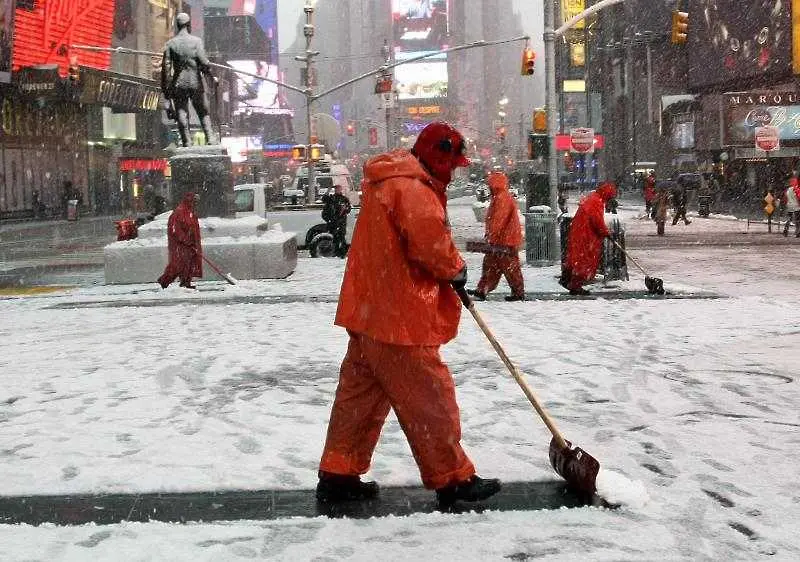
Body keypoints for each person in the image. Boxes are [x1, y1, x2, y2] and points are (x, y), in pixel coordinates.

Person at [317, 121, 501, 506]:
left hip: (369, 310)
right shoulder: (412, 189)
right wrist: (457, 269)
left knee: (360, 398)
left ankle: (339, 472)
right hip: (398, 316)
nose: (454, 171)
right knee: (430, 398)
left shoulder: (389, 180)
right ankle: (453, 478)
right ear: (438, 157)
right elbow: (430, 244)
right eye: (453, 163)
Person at [161, 13, 217, 147]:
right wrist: (211, 77)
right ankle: (210, 138)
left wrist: (167, 91)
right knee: (203, 112)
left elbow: (166, 70)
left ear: (177, 25)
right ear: (188, 25)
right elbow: (204, 63)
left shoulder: (170, 44)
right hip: (195, 82)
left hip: (179, 83)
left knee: (181, 112)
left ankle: (187, 141)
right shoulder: (196, 42)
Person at [468, 170, 525, 301]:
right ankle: (482, 290)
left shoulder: (501, 198)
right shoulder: (500, 197)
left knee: (509, 267)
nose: (488, 186)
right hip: (501, 240)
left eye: (490, 183)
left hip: (505, 241)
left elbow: (498, 220)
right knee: (491, 266)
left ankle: (518, 292)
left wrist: (491, 236)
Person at [559, 181, 617, 296]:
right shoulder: (596, 201)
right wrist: (606, 232)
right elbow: (597, 220)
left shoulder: (594, 198)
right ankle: (575, 285)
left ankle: (567, 278)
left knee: (576, 258)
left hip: (580, 231)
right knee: (584, 260)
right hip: (586, 234)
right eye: (610, 196)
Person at [158, 192, 202, 289]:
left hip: (189, 244)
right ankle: (164, 281)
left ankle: (186, 282)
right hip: (180, 245)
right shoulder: (180, 212)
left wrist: (193, 242)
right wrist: (186, 240)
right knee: (178, 264)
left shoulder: (190, 212)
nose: (195, 204)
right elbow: (176, 230)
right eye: (194, 201)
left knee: (189, 263)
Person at [321, 184, 352, 258]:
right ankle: (335, 253)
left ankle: (342, 254)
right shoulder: (332, 198)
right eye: (336, 189)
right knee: (334, 238)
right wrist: (328, 190)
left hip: (341, 222)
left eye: (339, 189)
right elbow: (324, 199)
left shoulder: (344, 199)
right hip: (333, 222)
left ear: (341, 190)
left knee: (342, 237)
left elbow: (348, 209)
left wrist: (344, 209)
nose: (337, 190)